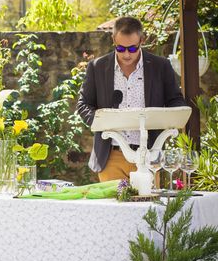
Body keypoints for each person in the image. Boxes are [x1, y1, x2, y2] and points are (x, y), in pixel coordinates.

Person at [77, 16, 186, 181]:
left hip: (148, 157)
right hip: (110, 156)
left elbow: (175, 101)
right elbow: (83, 104)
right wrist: (101, 122)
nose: (126, 54)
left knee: (146, 206)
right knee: (112, 206)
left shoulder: (160, 66)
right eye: (120, 48)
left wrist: (170, 121)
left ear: (142, 40)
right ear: (113, 40)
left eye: (132, 49)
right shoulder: (97, 67)